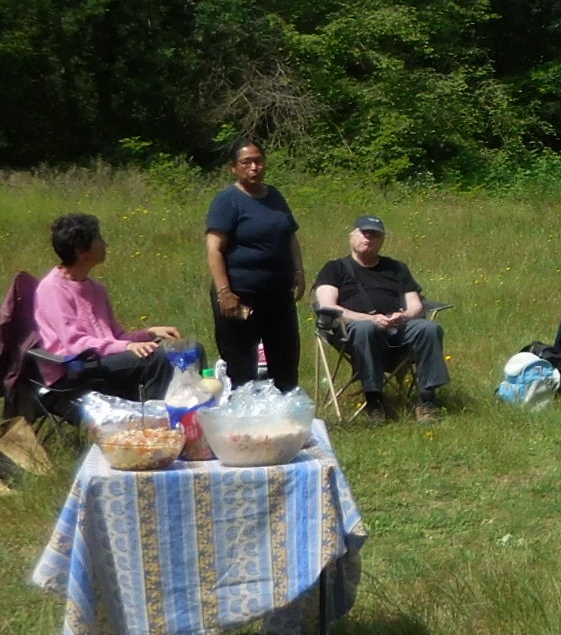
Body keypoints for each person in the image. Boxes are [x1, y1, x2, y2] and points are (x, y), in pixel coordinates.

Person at [32, 213, 184, 402]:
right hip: (71, 369)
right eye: (99, 239)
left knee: (185, 351)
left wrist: (150, 333)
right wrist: (128, 346)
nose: (105, 245)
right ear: (82, 251)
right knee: (157, 359)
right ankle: (157, 419)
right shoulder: (52, 289)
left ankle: (192, 414)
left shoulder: (96, 289)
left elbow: (114, 337)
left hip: (102, 362)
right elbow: (75, 344)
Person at [314, 215, 448, 424]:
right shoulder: (335, 268)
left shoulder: (396, 268)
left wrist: (402, 316)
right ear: (352, 236)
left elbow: (416, 305)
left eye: (375, 234)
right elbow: (328, 305)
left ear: (382, 240)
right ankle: (374, 401)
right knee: (366, 328)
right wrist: (368, 318)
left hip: (397, 329)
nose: (369, 238)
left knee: (429, 328)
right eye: (364, 232)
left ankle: (427, 401)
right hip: (352, 332)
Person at [204, 139, 304, 391]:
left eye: (258, 161)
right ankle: (244, 424)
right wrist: (224, 292)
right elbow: (214, 248)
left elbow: (290, 236)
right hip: (241, 296)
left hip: (278, 296)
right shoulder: (228, 200)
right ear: (234, 168)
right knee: (241, 368)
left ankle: (286, 421)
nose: (254, 167)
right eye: (246, 162)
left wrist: (299, 271)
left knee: (286, 361)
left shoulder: (275, 196)